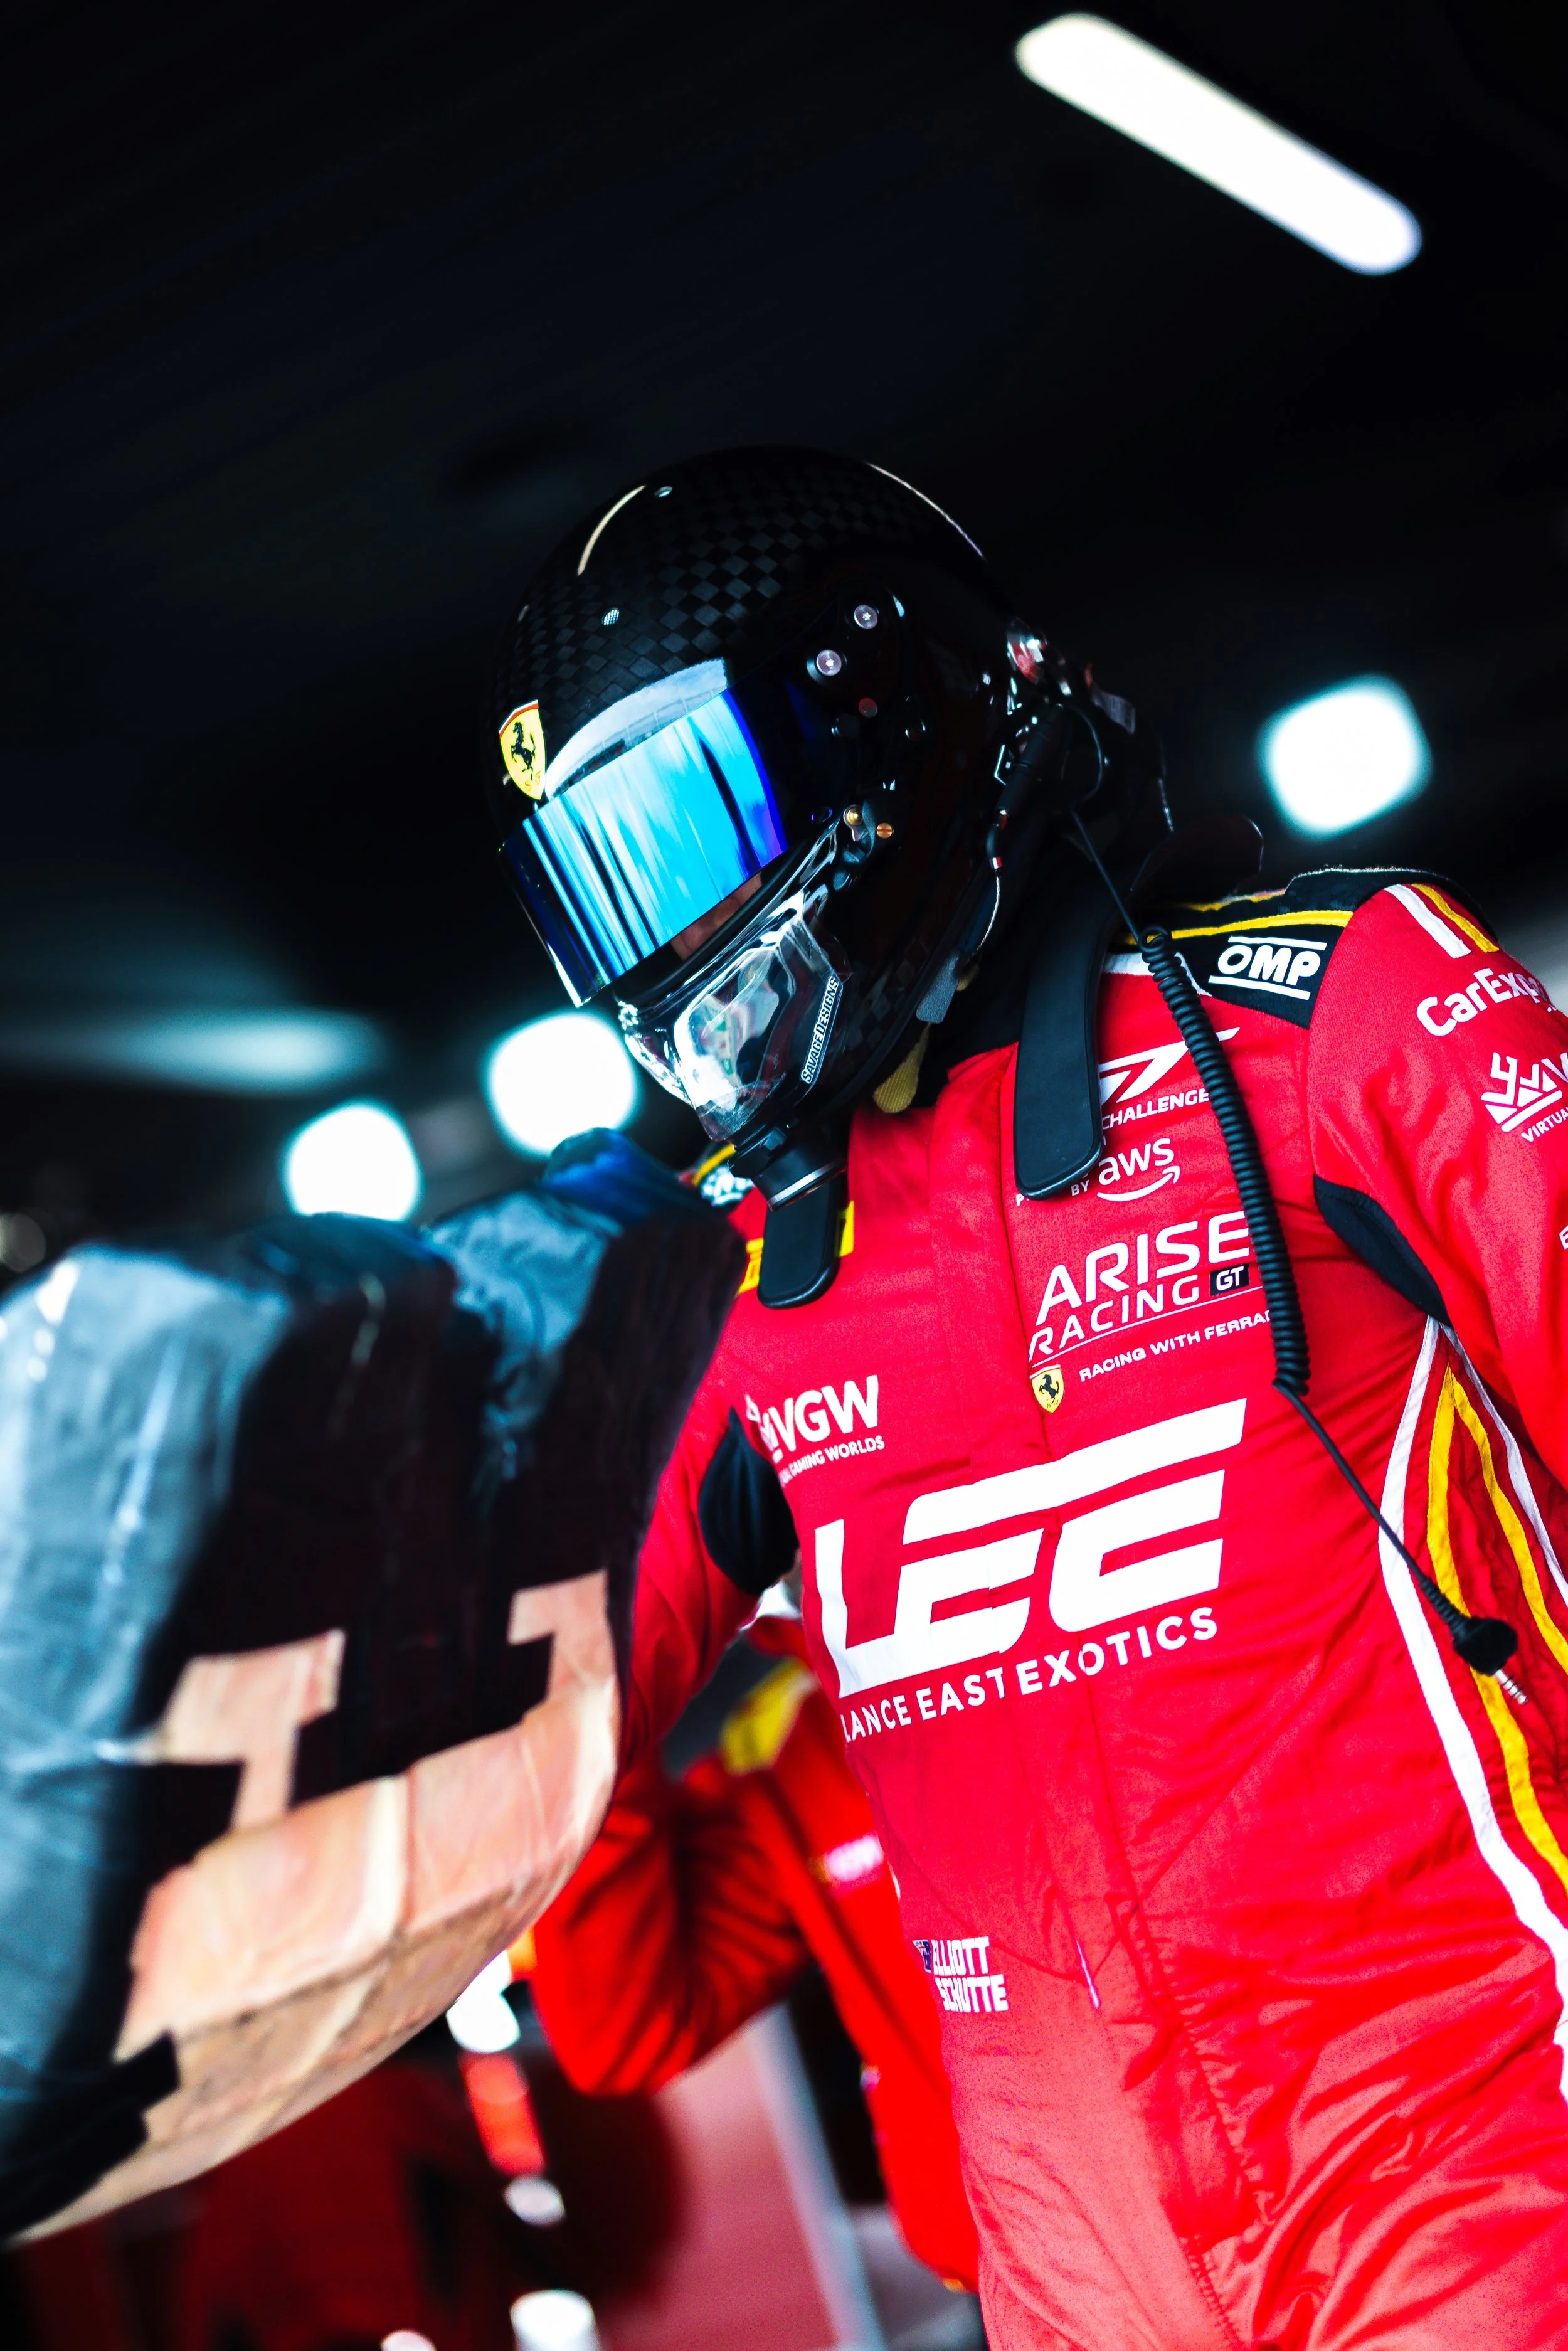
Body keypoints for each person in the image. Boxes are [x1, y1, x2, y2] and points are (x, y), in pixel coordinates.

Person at [485, 444, 1568, 2349]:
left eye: (686, 823)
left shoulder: (1344, 1008)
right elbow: (468, 1741)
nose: (665, 926)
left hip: (1482, 2182)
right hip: (1072, 2278)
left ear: (881, 707)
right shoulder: (721, 1292)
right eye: (605, 876)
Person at [529, 1584, 980, 2292]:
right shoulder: (782, 1743)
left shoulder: (1114, 1613)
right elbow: (620, 2033)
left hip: (1195, 2245)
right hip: (1020, 2294)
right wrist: (594, 1699)